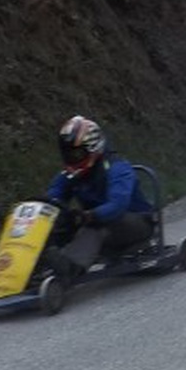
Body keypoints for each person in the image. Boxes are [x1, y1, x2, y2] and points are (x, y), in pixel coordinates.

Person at [39, 114, 158, 280]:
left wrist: (88, 216)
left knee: (97, 225)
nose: (72, 158)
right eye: (68, 154)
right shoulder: (69, 174)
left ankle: (69, 268)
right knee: (56, 221)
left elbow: (117, 206)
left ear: (93, 147)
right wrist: (44, 212)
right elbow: (53, 199)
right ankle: (32, 267)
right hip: (101, 222)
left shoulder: (118, 168)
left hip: (137, 223)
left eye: (77, 153)